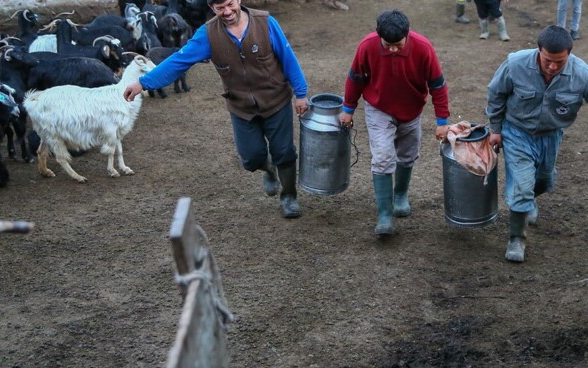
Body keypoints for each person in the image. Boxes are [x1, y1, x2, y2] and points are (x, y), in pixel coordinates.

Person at [123, 0, 309, 218]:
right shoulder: (208, 35)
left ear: (238, 0)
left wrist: (301, 93)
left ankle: (288, 197)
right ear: (212, 8)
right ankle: (268, 169)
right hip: (241, 107)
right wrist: (143, 83)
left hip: (275, 100)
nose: (227, 12)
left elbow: (288, 58)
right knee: (251, 158)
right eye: (220, 8)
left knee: (284, 151)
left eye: (230, 4)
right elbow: (178, 62)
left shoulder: (266, 23)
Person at [486, 25, 588, 262]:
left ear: (569, 54)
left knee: (545, 180)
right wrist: (495, 129)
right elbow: (496, 94)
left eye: (559, 62)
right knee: (522, 186)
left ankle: (529, 200)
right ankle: (516, 239)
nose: (552, 67)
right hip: (517, 132)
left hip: (551, 135)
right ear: (539, 50)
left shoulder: (582, 73)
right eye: (548, 60)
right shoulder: (515, 64)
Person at [339, 9, 450, 237]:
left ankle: (400, 195)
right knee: (382, 157)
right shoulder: (367, 46)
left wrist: (442, 120)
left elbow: (437, 85)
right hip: (379, 108)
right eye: (387, 44)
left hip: (411, 110)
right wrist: (348, 108)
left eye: (397, 44)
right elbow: (356, 78)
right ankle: (385, 215)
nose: (392, 49)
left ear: (407, 35)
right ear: (378, 35)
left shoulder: (423, 48)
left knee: (407, 155)